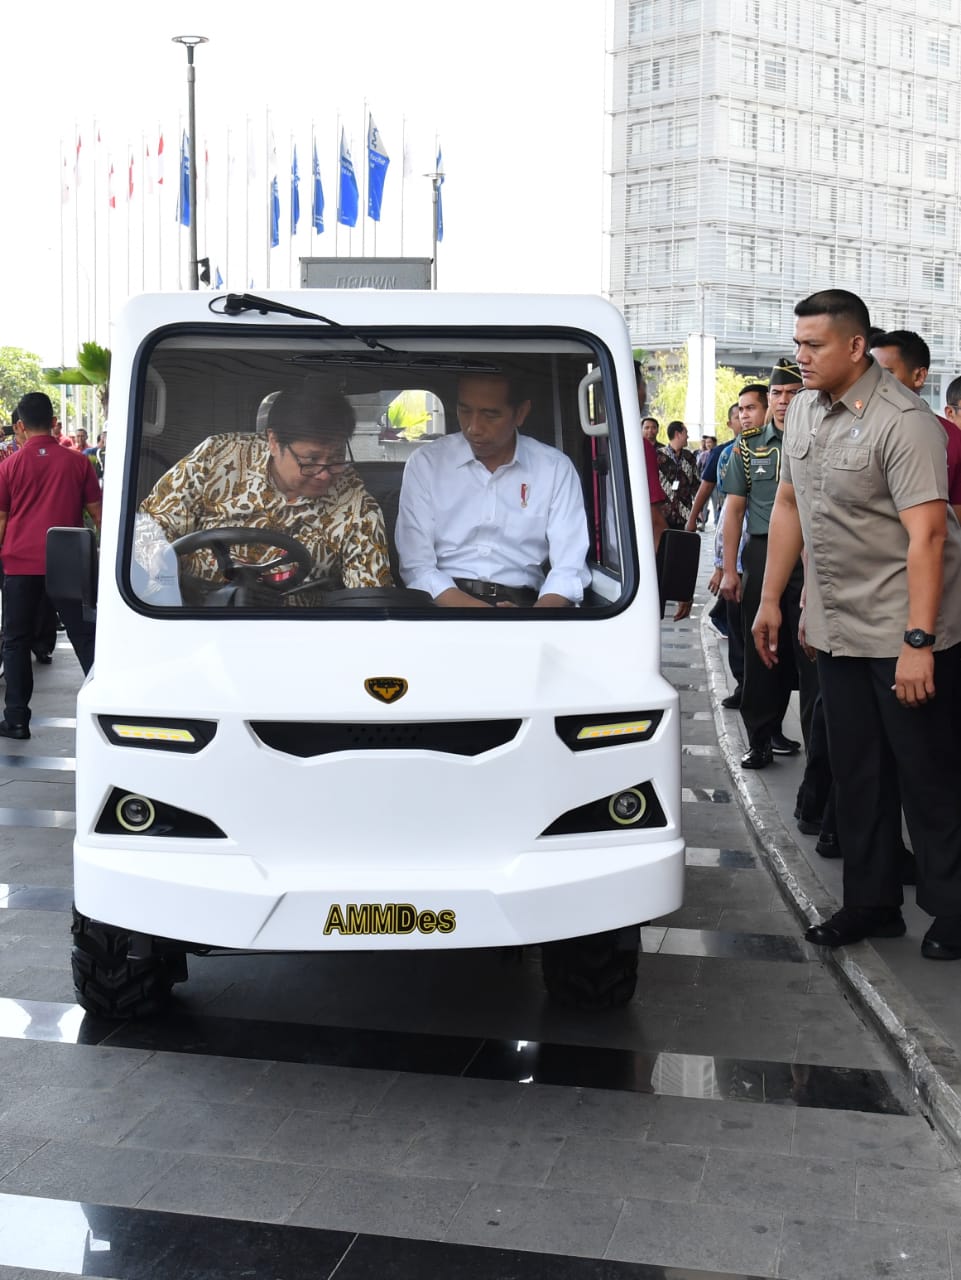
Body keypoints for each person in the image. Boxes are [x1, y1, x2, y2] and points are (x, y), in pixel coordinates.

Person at [753, 289, 961, 956]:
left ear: (853, 346)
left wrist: (918, 644)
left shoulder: (904, 422)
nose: (800, 358)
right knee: (856, 773)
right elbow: (787, 503)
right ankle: (871, 904)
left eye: (812, 345)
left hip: (904, 631)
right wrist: (770, 601)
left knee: (927, 775)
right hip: (837, 630)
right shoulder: (806, 414)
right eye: (796, 344)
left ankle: (951, 908)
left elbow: (927, 536)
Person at [137, 389, 391, 604]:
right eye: (310, 461)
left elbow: (369, 596)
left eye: (336, 459)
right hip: (191, 616)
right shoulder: (216, 459)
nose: (324, 475)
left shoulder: (357, 505)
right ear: (273, 441)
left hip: (300, 636)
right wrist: (172, 578)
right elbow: (149, 527)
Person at [395, 372, 590, 608]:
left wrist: (533, 619)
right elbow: (417, 567)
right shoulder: (426, 462)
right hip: (443, 606)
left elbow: (569, 568)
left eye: (490, 415)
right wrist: (482, 613)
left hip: (527, 606)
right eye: (465, 410)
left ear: (520, 413)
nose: (474, 427)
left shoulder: (555, 468)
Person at [721, 370, 817, 769]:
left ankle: (819, 757)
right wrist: (730, 569)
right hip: (763, 554)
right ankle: (761, 737)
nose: (783, 400)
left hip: (812, 554)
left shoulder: (817, 436)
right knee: (764, 649)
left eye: (793, 392)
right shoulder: (748, 446)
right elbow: (734, 508)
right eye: (777, 392)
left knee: (811, 652)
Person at [0, 393, 102, 738]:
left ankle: (16, 719)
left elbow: (1, 522)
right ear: (54, 421)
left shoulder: (9, 466)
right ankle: (103, 709)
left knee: (15, 640)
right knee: (84, 636)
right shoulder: (78, 463)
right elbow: (98, 515)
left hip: (19, 563)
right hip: (68, 561)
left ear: (21, 425)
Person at [870, 331, 961, 525]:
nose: (873, 383)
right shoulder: (851, 429)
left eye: (886, 374)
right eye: (870, 374)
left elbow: (955, 516)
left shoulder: (951, 437)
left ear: (919, 376)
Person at [657, 421, 699, 531]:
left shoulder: (689, 457)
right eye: (686, 432)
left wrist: (698, 510)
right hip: (664, 515)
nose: (688, 436)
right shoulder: (659, 456)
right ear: (677, 434)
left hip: (686, 515)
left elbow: (696, 484)